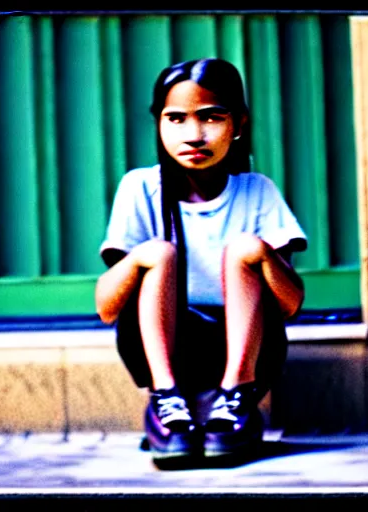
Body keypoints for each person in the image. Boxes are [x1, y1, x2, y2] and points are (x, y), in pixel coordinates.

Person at [95, 58, 307, 462]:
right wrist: (142, 257)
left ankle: (234, 398)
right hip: (165, 351)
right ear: (158, 123)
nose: (194, 135)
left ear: (238, 125)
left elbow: (291, 305)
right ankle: (166, 400)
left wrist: (260, 254)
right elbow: (107, 309)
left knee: (245, 249)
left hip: (247, 350)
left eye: (211, 118)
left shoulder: (256, 191)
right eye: (176, 119)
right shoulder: (139, 187)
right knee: (158, 252)